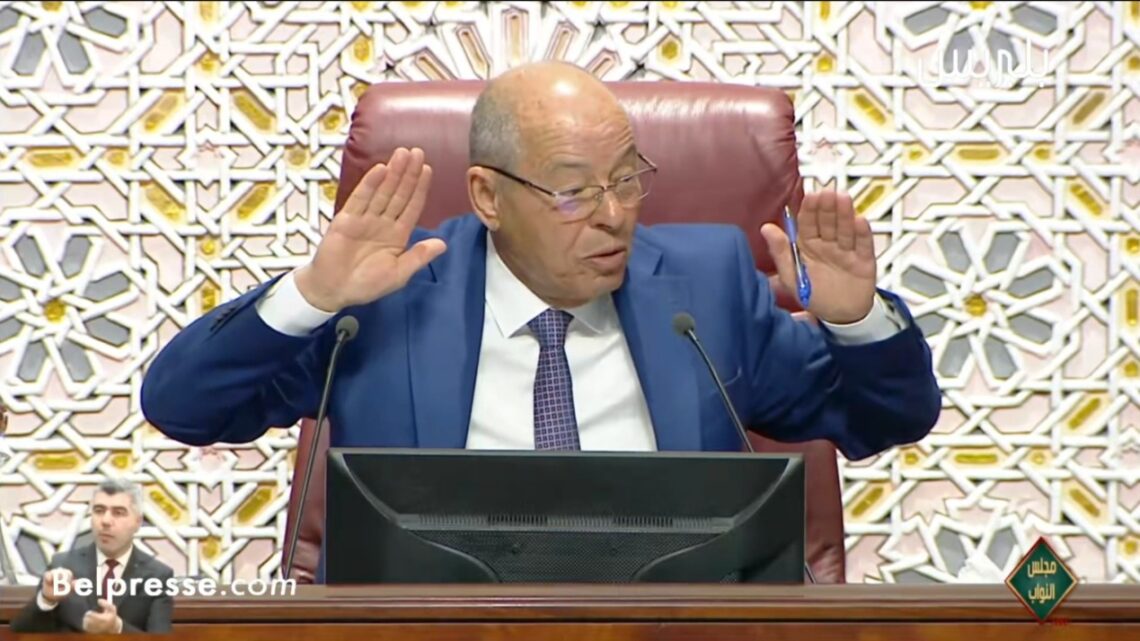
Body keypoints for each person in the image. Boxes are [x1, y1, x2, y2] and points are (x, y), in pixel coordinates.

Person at [141, 64, 938, 462]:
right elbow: (182, 407)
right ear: (487, 197)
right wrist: (313, 294)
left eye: (626, 178)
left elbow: (887, 419)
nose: (614, 213)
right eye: (574, 191)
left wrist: (854, 320)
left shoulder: (706, 288)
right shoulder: (387, 299)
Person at [10, 478, 174, 634]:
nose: (106, 521)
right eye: (99, 511)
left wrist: (117, 629)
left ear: (137, 522)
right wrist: (46, 600)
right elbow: (19, 634)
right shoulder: (62, 565)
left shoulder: (158, 576)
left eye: (118, 512)